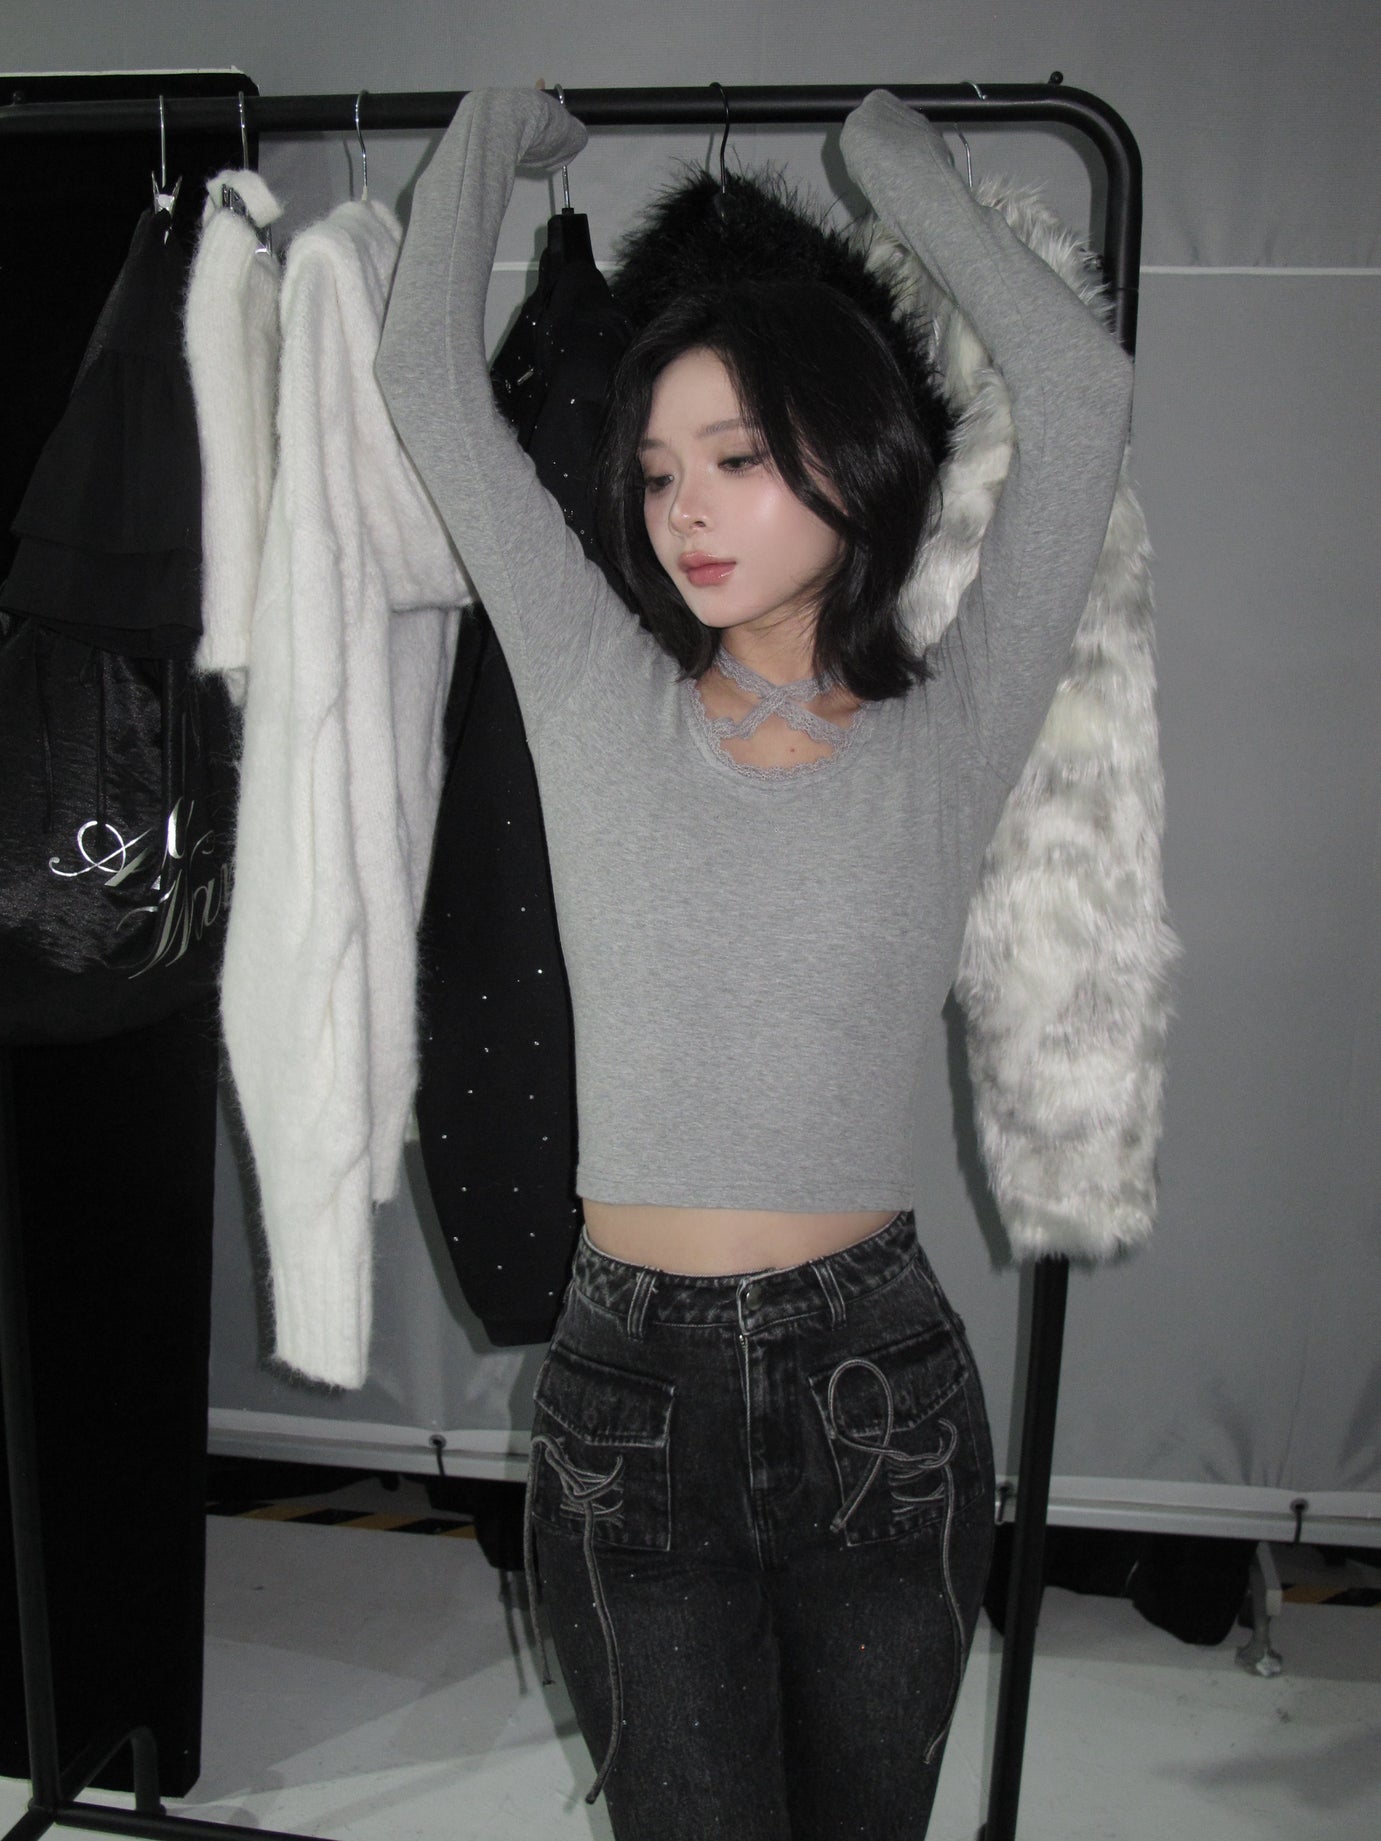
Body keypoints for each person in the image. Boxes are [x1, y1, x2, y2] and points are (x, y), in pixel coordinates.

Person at [378, 84, 1132, 1841]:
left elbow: (1082, 390)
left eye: (735, 458)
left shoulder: (950, 729)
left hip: (877, 1391)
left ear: (851, 456)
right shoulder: (595, 692)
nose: (684, 512)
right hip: (625, 1394)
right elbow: (424, 381)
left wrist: (892, 158)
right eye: (656, 472)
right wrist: (497, 126)